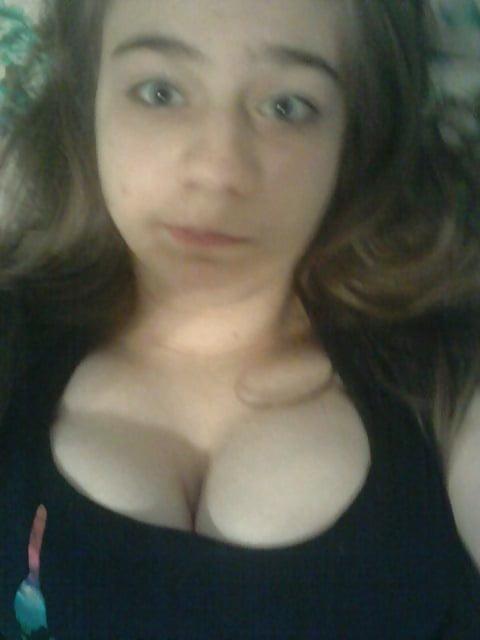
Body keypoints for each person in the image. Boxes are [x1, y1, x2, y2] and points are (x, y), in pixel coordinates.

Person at [0, 0, 479, 637]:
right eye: (160, 91)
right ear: (88, 101)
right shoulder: (13, 333)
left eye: (287, 106)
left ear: (353, 134)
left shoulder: (450, 372)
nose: (218, 169)